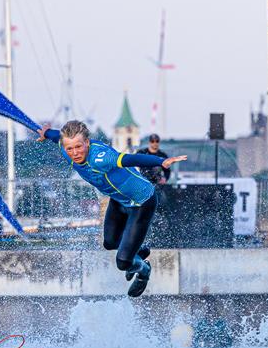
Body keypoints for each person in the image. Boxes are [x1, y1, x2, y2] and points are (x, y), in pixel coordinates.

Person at [38, 120, 186, 297]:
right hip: (119, 200)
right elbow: (58, 137)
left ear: (87, 142)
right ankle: (139, 250)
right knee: (109, 243)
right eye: (70, 149)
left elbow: (131, 159)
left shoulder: (101, 158)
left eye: (79, 147)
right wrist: (46, 133)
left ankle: (144, 270)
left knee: (123, 262)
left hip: (141, 202)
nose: (75, 153)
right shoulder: (66, 147)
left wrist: (161, 161)